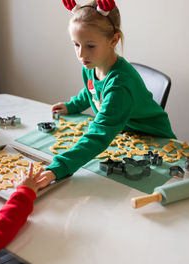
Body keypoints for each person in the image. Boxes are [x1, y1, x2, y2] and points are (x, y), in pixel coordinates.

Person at [39, 0, 176, 185]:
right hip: (124, 134)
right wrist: (73, 105)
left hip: (153, 140)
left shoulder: (121, 84)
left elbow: (100, 134)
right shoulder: (90, 66)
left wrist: (59, 167)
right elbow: (92, 90)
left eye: (90, 46)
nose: (81, 54)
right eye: (76, 44)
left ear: (113, 40)